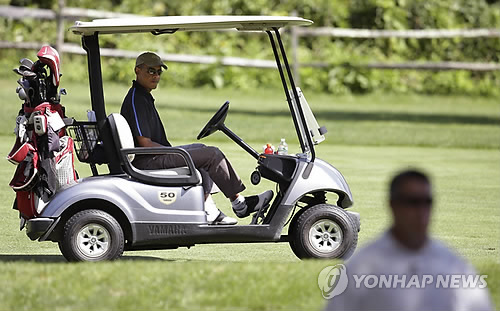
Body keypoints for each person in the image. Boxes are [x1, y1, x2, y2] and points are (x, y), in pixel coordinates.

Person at [120, 52, 273, 225]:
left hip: (153, 154)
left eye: (158, 72)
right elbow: (144, 143)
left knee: (202, 149)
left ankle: (209, 210)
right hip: (148, 159)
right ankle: (240, 205)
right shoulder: (136, 100)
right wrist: (174, 152)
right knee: (211, 154)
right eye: (150, 71)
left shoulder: (143, 96)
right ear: (137, 70)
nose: (156, 76)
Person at [326, 169, 493, 311]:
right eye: (412, 202)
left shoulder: (455, 266)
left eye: (427, 202)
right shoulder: (362, 266)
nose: (421, 211)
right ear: (393, 205)